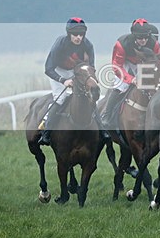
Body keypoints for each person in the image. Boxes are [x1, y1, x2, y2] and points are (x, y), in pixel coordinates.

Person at [39, 17, 109, 145]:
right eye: (75, 34)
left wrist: (91, 80)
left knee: (89, 97)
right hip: (57, 71)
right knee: (60, 99)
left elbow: (91, 67)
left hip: (76, 71)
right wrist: (63, 80)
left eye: (81, 34)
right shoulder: (60, 44)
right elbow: (48, 68)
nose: (78, 37)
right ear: (68, 34)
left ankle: (102, 129)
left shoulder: (88, 45)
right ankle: (47, 133)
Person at [101, 18, 160, 129]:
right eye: (140, 38)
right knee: (121, 85)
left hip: (143, 64)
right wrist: (131, 79)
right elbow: (117, 67)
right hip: (125, 63)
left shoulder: (154, 43)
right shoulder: (122, 44)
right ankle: (107, 115)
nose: (143, 40)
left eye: (145, 37)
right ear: (134, 36)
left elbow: (158, 62)